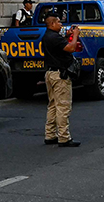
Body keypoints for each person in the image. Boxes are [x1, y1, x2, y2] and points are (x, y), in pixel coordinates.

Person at [41, 10, 81, 147]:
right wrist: (75, 36)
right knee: (63, 106)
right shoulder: (54, 37)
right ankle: (64, 137)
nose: (61, 24)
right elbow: (70, 48)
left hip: (51, 74)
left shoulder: (48, 36)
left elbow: (59, 43)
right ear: (52, 23)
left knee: (52, 105)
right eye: (58, 21)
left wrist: (67, 34)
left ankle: (50, 134)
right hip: (60, 76)